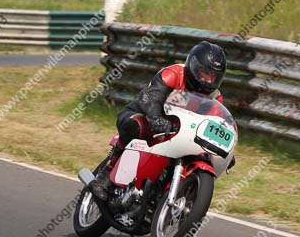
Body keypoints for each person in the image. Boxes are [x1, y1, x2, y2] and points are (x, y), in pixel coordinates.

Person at [90, 42, 228, 200]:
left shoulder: (215, 98)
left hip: (179, 131)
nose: (208, 80)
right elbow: (150, 98)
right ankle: (106, 174)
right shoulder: (174, 74)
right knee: (138, 126)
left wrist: (224, 149)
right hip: (142, 113)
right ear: (194, 66)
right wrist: (156, 118)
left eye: (214, 76)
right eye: (204, 73)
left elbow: (215, 125)